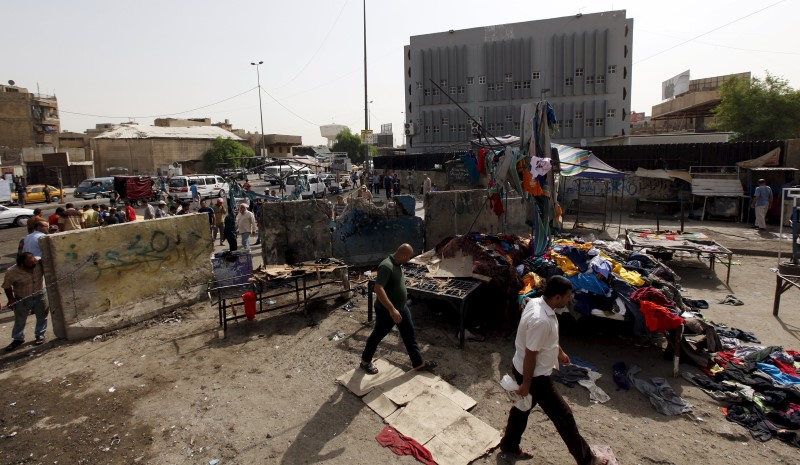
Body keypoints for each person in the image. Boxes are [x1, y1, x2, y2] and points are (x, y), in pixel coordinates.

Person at [498, 276, 603, 464]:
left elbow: (546, 340)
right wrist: (527, 384)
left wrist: (559, 352)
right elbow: (531, 354)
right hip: (535, 376)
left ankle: (509, 445)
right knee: (564, 416)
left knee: (522, 409)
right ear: (557, 297)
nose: (570, 299)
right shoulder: (541, 320)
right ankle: (587, 460)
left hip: (524, 367)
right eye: (568, 296)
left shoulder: (538, 303)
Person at [359, 243, 436, 375]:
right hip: (386, 311)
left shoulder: (397, 264)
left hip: (401, 308)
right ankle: (365, 362)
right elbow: (378, 288)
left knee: (409, 335)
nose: (408, 260)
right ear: (403, 255)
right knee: (377, 335)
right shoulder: (386, 266)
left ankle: (418, 363)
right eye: (408, 257)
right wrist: (392, 309)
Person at [4, 252, 48, 351]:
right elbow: (7, 286)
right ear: (22, 264)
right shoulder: (12, 272)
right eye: (30, 264)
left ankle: (40, 335)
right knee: (20, 319)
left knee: (42, 316)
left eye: (34, 263)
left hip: (40, 294)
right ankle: (18, 338)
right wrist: (11, 299)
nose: (33, 265)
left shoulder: (38, 262)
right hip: (22, 297)